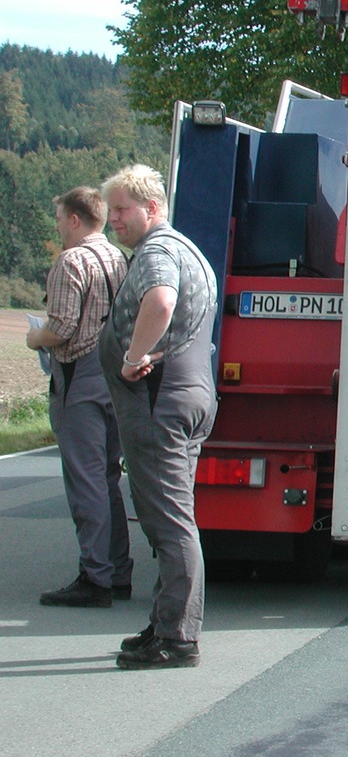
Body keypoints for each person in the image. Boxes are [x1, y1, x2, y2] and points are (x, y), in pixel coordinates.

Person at [98, 164, 217, 671]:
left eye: (121, 209)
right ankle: (165, 620)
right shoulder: (189, 248)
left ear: (152, 208)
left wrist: (132, 357)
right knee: (172, 516)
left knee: (168, 522)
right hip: (187, 395)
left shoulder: (157, 251)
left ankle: (177, 637)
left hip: (158, 401)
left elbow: (161, 299)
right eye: (111, 210)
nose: (113, 220)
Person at [27, 187, 133, 608]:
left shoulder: (71, 261)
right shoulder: (118, 257)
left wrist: (36, 337)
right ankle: (118, 569)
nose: (58, 226)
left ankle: (95, 575)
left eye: (59, 219)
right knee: (108, 476)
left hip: (79, 375)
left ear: (74, 219)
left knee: (85, 478)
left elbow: (62, 327)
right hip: (115, 372)